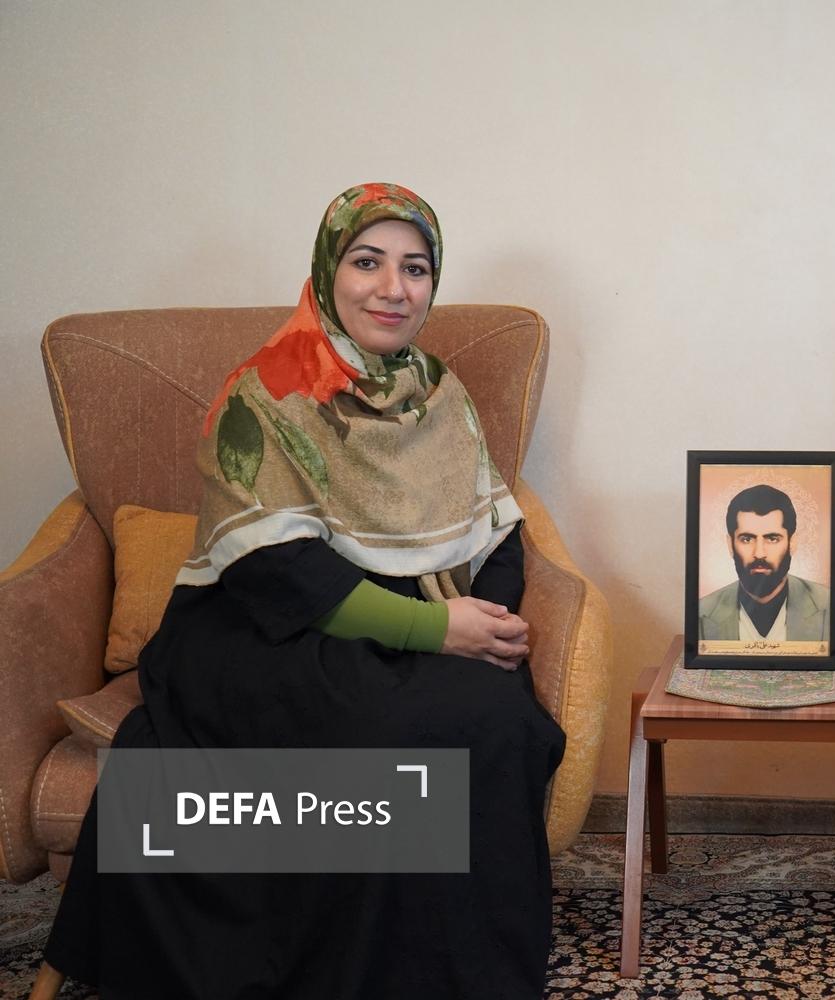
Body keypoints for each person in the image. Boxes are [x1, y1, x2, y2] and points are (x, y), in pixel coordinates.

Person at [35, 183, 565, 1000]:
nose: (393, 288)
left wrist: (487, 619)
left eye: (415, 268)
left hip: (400, 621)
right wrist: (437, 632)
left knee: (498, 720)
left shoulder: (438, 392)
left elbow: (496, 526)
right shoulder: (266, 390)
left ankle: (454, 974)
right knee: (404, 733)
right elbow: (276, 569)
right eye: (367, 261)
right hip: (261, 628)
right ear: (327, 271)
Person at [698, 483, 832, 641]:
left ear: (792, 543)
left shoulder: (828, 605)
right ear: (730, 545)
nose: (759, 553)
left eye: (772, 539)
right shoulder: (702, 612)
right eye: (747, 539)